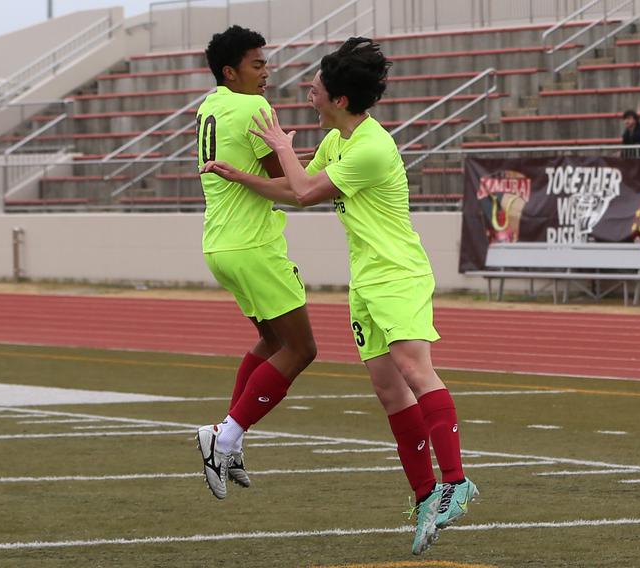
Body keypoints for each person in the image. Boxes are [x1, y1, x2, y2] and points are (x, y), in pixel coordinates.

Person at [201, 37, 477, 556]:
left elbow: (301, 190)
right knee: (390, 392)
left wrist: (280, 146)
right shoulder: (338, 140)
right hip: (366, 282)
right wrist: (240, 175)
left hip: (397, 275)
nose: (310, 89)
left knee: (416, 371)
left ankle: (456, 483)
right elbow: (298, 189)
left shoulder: (372, 146)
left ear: (340, 101)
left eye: (318, 85)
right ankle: (424, 497)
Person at [194, 25, 317, 501]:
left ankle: (232, 439)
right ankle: (222, 436)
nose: (267, 72)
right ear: (231, 71)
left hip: (220, 245)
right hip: (253, 245)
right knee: (301, 349)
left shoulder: (210, 105)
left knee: (270, 340)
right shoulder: (252, 108)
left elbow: (274, 170)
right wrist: (337, 166)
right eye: (257, 64)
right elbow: (288, 183)